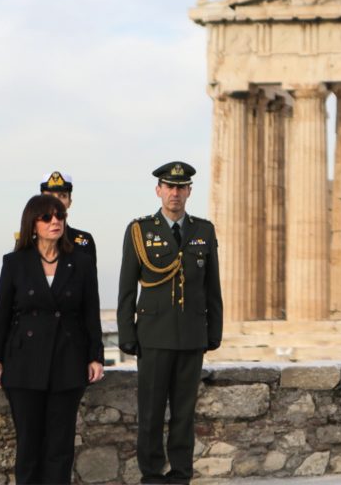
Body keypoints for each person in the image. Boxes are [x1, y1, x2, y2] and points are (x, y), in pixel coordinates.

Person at [117, 162, 222, 485]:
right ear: (158, 190)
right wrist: (127, 334)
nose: (175, 193)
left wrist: (213, 332)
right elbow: (126, 287)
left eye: (181, 187)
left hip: (191, 335)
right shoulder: (140, 230)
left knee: (183, 413)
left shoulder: (203, 231)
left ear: (189, 191)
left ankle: (180, 475)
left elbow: (211, 288)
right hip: (154, 335)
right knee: (150, 412)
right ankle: (151, 474)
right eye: (169, 187)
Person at [0, 194, 103, 484]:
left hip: (68, 361)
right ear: (32, 223)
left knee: (60, 446)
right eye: (47, 217)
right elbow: (0, 315)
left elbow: (91, 313)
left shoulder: (81, 262)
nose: (56, 222)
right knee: (29, 444)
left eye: (60, 216)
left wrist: (95, 356)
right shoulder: (15, 262)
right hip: (24, 363)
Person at [39, 171, 97, 255]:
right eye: (50, 196)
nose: (56, 201)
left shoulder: (84, 241)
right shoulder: (30, 240)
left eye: (62, 196)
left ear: (70, 202)